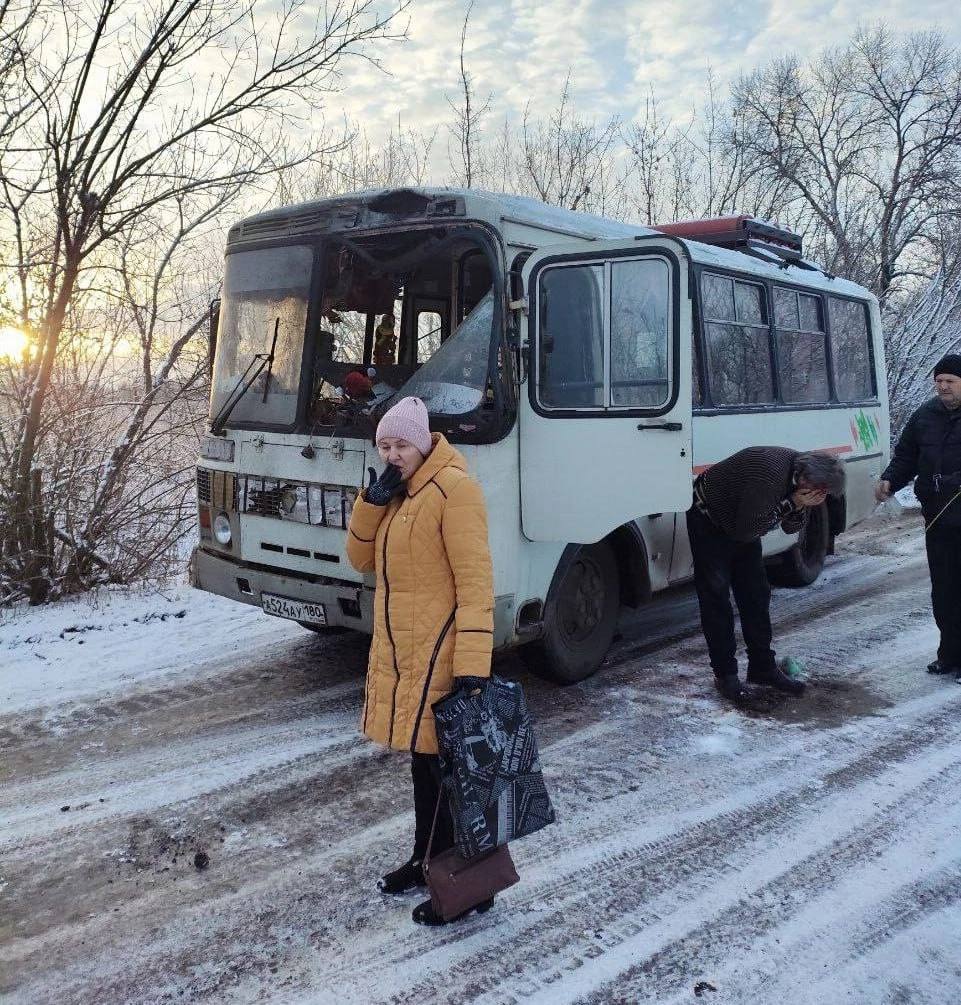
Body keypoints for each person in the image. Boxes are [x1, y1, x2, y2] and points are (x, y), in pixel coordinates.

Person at [346, 396, 497, 925]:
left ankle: (470, 887)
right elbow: (360, 558)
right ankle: (425, 860)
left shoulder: (456, 491)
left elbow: (476, 584)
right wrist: (371, 499)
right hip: (404, 652)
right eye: (384, 445)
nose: (392, 454)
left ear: (425, 442)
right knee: (423, 763)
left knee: (451, 771)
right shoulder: (394, 496)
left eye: (401, 444)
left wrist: (474, 666)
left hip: (444, 652)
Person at [687, 447, 846, 704]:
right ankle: (725, 675)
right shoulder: (769, 475)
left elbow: (788, 526)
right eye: (821, 490)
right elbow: (747, 531)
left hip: (744, 522)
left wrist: (802, 506)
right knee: (716, 595)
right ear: (808, 478)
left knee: (757, 593)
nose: (821, 496)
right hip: (709, 517)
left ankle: (762, 667)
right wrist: (794, 502)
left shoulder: (803, 480)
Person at [876, 354, 961, 681]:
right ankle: (949, 654)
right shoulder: (924, 416)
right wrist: (889, 479)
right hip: (938, 517)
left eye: (950, 381)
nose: (943, 387)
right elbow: (906, 456)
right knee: (943, 589)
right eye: (939, 381)